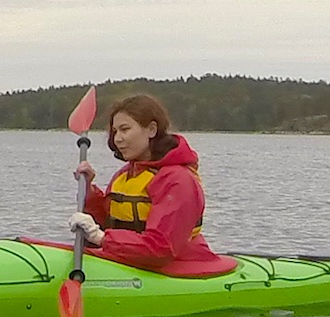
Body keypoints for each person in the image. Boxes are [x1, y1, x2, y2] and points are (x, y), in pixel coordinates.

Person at [68, 91, 233, 275]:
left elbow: (160, 249)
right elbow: (111, 222)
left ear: (152, 130)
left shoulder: (178, 181)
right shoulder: (125, 175)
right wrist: (89, 191)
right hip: (130, 261)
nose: (118, 138)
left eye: (125, 129)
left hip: (180, 268)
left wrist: (101, 238)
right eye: (115, 132)